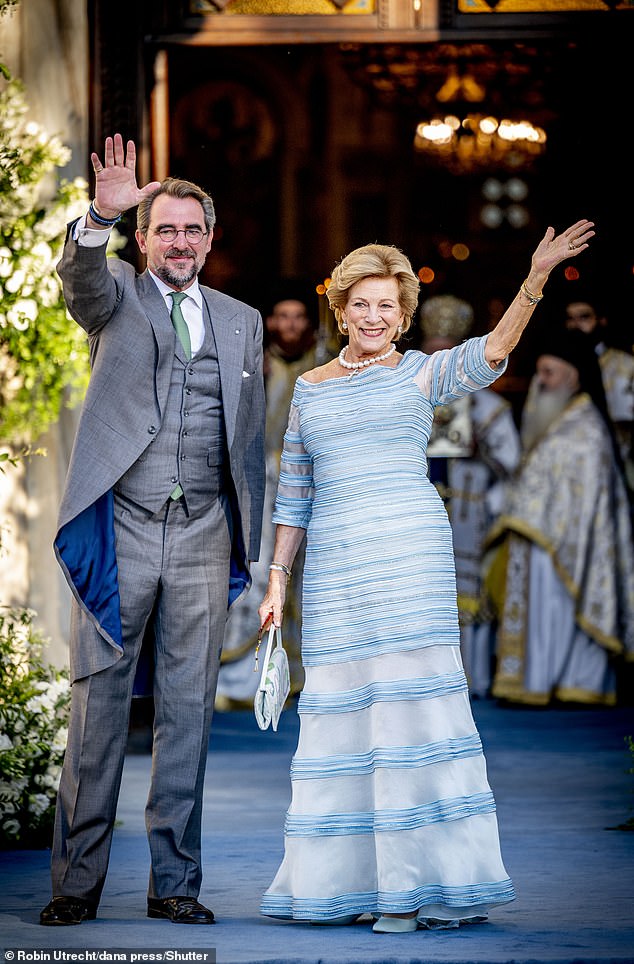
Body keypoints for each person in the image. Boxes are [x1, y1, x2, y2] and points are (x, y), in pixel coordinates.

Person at [258, 219, 595, 932]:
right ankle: (346, 886)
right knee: (343, 717)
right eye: (361, 304)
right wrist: (278, 580)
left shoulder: (422, 372)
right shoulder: (311, 392)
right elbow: (295, 492)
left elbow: (497, 351)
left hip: (410, 556)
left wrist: (535, 278)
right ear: (340, 309)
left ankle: (410, 889)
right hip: (339, 569)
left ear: (403, 315)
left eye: (388, 306)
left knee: (413, 715)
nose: (373, 317)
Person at [40, 134, 265, 927]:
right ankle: (75, 885)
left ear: (211, 238)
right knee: (97, 709)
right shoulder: (118, 296)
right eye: (164, 229)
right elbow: (78, 283)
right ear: (145, 238)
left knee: (187, 711)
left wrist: (256, 549)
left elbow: (250, 440)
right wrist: (100, 213)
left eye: (191, 230)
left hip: (205, 529)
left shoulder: (244, 322)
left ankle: (176, 882)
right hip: (125, 526)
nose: (178, 242)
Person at [485, 326, 634, 707]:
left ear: (573, 376)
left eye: (549, 373)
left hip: (563, 549)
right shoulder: (559, 422)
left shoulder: (585, 430)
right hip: (542, 542)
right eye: (539, 373)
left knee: (559, 615)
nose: (540, 383)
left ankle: (567, 681)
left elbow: (583, 505)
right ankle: (540, 681)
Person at [216, 283, 319, 708]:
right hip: (260, 486)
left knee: (310, 574)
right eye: (283, 316)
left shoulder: (326, 364)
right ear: (271, 321)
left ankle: (304, 674)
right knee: (260, 568)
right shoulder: (255, 364)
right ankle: (246, 675)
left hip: (312, 484)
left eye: (298, 317)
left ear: (308, 322)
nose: (290, 325)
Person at [421, 295, 521, 698]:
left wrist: (484, 450)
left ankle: (471, 679)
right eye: (433, 354)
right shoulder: (407, 394)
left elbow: (513, 465)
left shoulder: (490, 407)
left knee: (467, 594)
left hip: (468, 512)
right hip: (420, 508)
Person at [563, 291, 634, 494]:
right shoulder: (558, 370)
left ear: (600, 320)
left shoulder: (626, 366)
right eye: (570, 318)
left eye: (584, 317)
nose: (576, 325)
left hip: (616, 467)